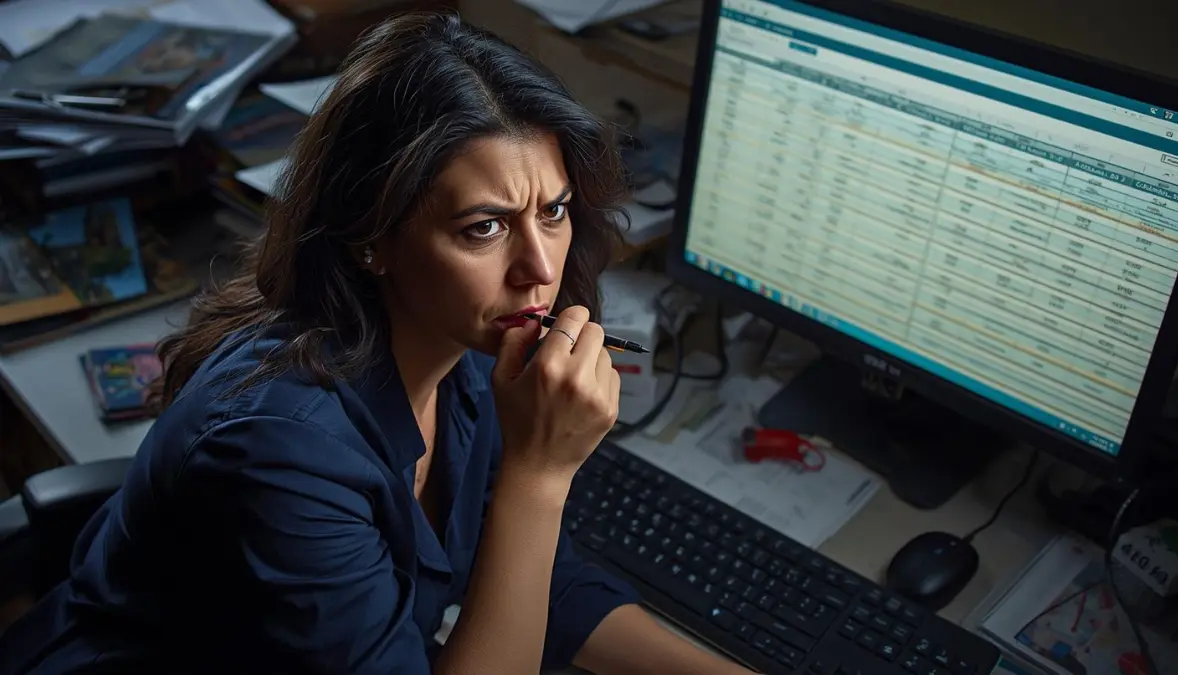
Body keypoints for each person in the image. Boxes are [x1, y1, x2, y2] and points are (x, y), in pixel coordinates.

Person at [0, 12, 755, 675]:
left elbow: (539, 581)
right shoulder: (279, 449)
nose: (539, 269)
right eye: (484, 227)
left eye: (552, 213)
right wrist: (540, 474)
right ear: (372, 237)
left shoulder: (460, 343)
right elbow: (518, 536)